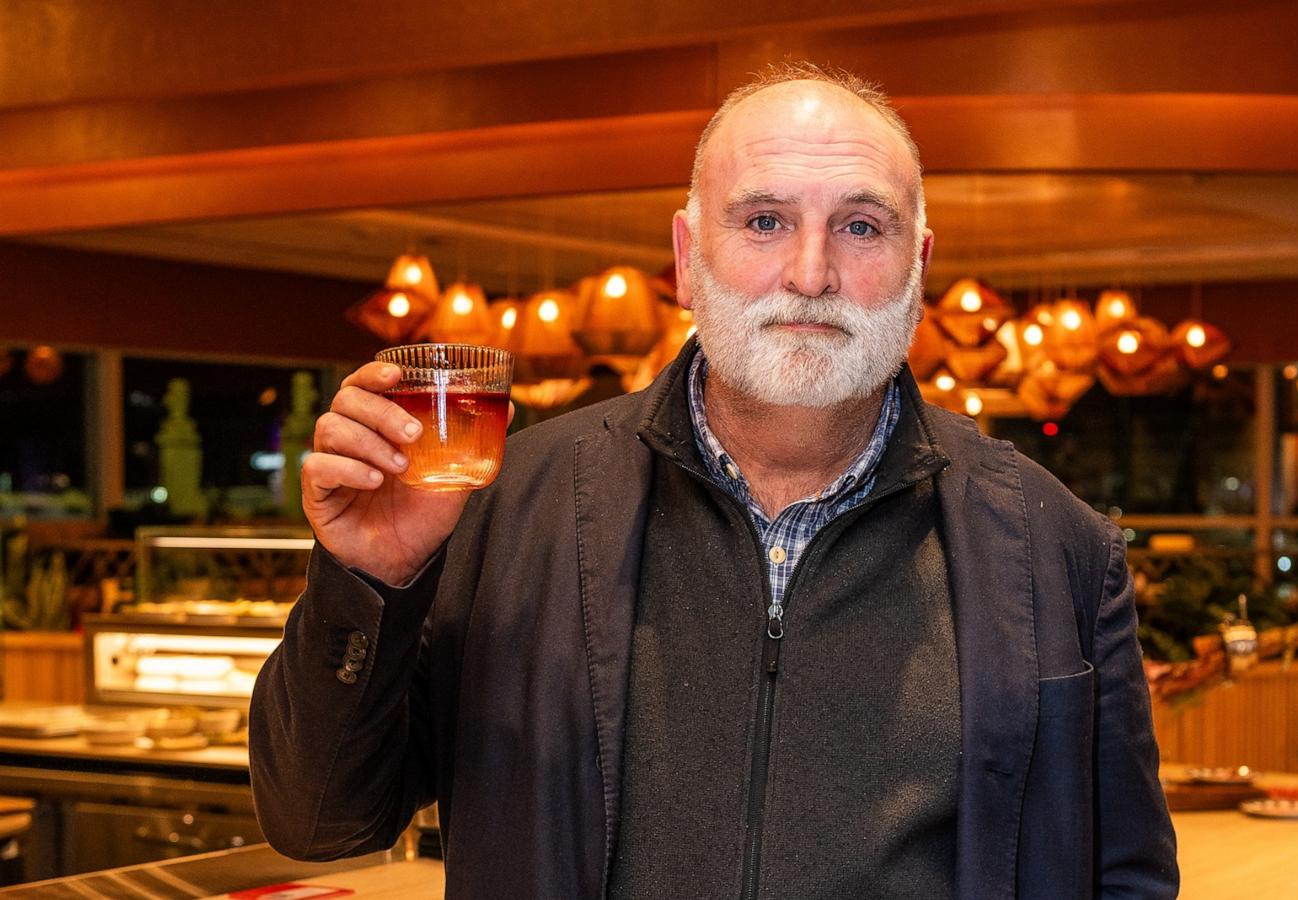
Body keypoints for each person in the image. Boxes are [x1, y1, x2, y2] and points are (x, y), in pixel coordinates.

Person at [250, 62, 1178, 899]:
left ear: (918, 267)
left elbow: (1124, 879)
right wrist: (371, 581)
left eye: (860, 226)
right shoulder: (503, 507)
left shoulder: (1057, 547)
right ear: (689, 259)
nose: (810, 274)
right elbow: (319, 819)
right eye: (764, 220)